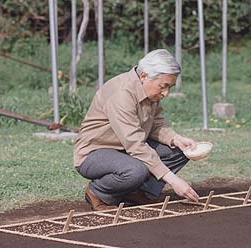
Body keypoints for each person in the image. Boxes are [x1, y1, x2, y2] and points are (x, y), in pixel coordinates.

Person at [74, 49, 199, 210]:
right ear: (144, 76)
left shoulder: (150, 91)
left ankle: (136, 192)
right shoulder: (121, 94)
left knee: (181, 150)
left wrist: (176, 139)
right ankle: (98, 192)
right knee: (135, 170)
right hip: (94, 153)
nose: (166, 93)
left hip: (126, 150)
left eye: (170, 87)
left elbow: (156, 123)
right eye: (164, 86)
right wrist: (173, 180)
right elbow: (135, 144)